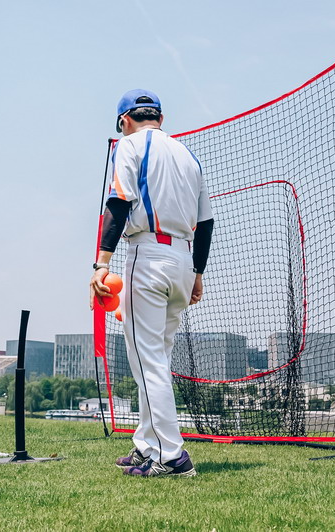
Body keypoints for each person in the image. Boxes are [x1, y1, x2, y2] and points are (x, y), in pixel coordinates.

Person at [90, 89, 214, 477]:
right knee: (157, 358)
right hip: (183, 259)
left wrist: (101, 263)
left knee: (149, 362)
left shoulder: (128, 145)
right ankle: (147, 445)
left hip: (147, 254)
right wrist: (197, 273)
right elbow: (206, 222)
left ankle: (171, 456)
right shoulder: (187, 154)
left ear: (124, 121)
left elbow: (119, 201)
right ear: (160, 118)